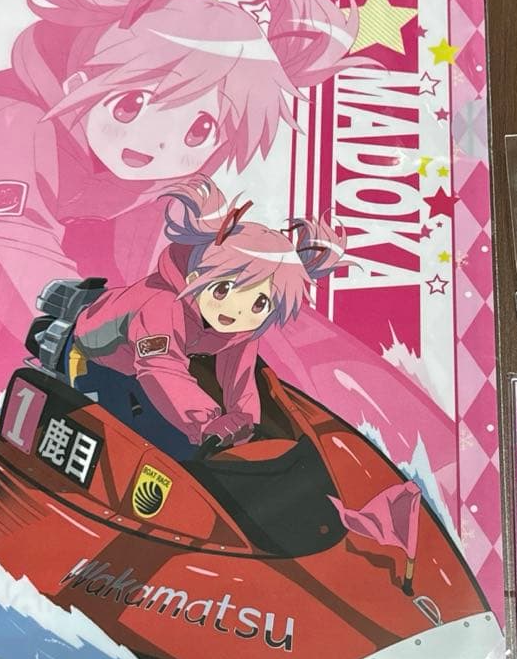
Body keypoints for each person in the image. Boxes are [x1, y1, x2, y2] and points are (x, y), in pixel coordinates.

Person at [0, 0, 359, 404]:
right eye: (131, 105)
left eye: (199, 129)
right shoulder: (9, 121)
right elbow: (7, 238)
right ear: (79, 82)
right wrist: (92, 323)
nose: (156, 141)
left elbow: (170, 267)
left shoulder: (171, 181)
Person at [67, 177, 344, 459]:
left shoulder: (244, 327)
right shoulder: (161, 305)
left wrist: (245, 420)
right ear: (194, 278)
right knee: (141, 446)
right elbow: (160, 366)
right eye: (223, 289)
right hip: (97, 359)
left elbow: (239, 373)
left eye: (260, 303)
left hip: (160, 361)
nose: (237, 310)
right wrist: (207, 423)